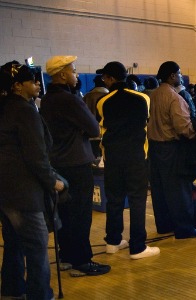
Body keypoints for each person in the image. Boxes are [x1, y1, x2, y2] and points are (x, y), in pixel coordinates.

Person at [40, 56, 110, 276]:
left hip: (57, 161)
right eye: (73, 70)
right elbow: (93, 129)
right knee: (80, 214)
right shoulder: (70, 99)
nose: (76, 74)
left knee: (65, 212)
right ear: (62, 74)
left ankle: (67, 255)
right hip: (76, 162)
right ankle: (82, 261)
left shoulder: (47, 99)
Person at [0, 61, 65, 299]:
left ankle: (12, 290)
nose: (38, 84)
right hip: (24, 192)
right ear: (18, 86)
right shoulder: (24, 111)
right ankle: (40, 295)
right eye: (32, 81)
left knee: (14, 244)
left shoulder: (7, 108)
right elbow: (36, 156)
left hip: (6, 191)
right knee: (37, 248)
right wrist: (53, 181)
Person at [96, 61, 160, 259]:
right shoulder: (142, 98)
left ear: (111, 78)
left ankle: (113, 241)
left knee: (114, 199)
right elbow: (144, 122)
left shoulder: (103, 101)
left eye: (105, 77)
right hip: (136, 156)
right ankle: (138, 246)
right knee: (137, 200)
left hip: (113, 157)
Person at [148, 61, 196, 239]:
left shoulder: (153, 95)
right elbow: (183, 128)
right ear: (172, 76)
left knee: (159, 190)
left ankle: (164, 225)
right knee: (179, 189)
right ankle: (184, 228)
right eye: (179, 73)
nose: (181, 76)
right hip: (171, 149)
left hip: (154, 148)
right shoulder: (174, 98)